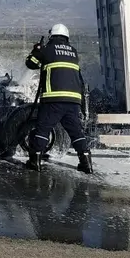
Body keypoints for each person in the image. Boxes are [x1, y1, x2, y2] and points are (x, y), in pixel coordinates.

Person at [24, 23, 93, 174]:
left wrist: (36, 50)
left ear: (51, 36)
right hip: (73, 101)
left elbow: (30, 64)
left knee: (42, 130)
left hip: (53, 99)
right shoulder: (73, 52)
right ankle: (86, 162)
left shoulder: (46, 49)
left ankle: (35, 162)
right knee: (76, 132)